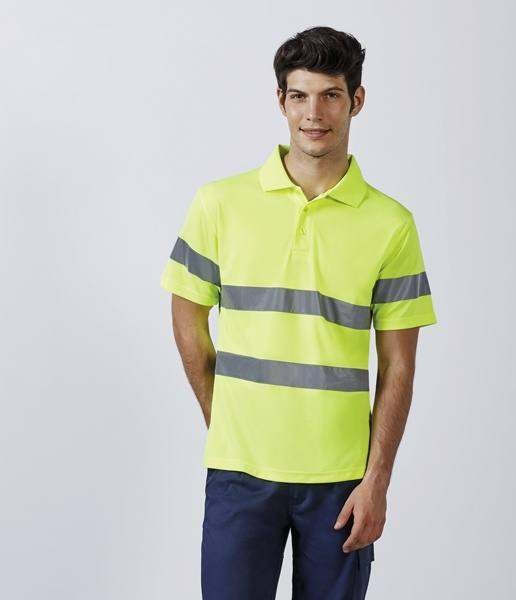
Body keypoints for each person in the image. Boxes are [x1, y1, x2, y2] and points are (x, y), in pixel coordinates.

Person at [160, 25, 438, 600]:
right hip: (240, 473)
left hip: (341, 481)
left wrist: (377, 480)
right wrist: (223, 415)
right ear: (281, 101)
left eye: (331, 95)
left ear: (357, 100)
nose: (314, 113)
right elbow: (187, 318)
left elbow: (400, 366)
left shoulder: (392, 224)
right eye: (299, 96)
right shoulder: (219, 203)